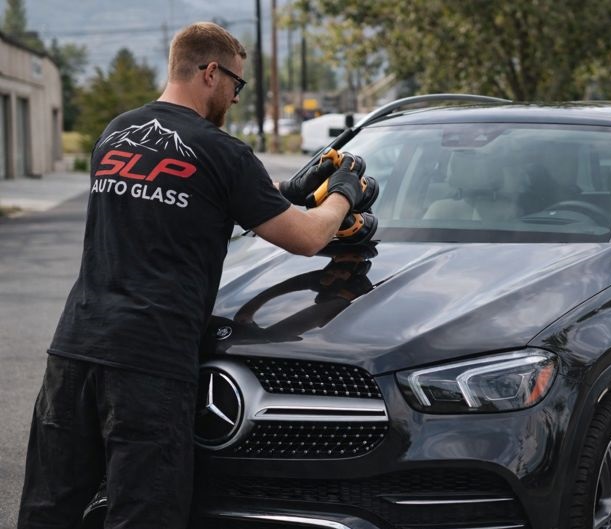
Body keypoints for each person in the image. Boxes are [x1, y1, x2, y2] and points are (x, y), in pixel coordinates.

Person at [16, 21, 362, 529]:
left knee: (49, 509)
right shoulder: (224, 151)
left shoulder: (115, 133)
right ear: (210, 72)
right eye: (236, 83)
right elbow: (308, 237)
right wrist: (344, 194)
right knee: (144, 514)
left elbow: (195, 188)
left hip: (73, 352)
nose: (236, 97)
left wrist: (288, 190)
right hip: (150, 362)